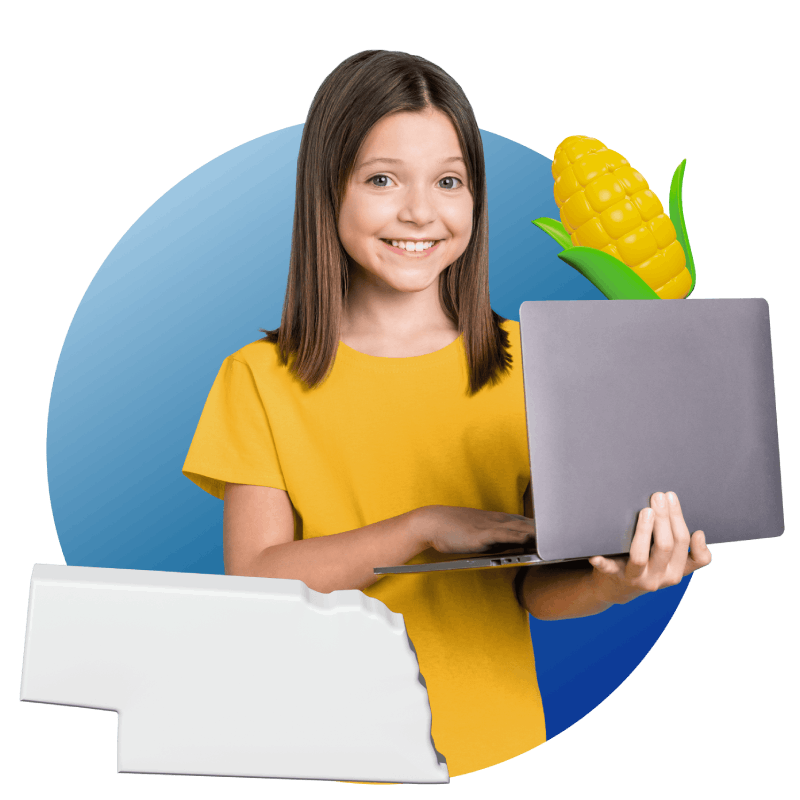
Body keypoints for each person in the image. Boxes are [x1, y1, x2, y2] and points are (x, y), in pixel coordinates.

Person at [181, 49, 712, 784]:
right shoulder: (258, 377)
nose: (420, 212)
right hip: (326, 750)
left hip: (502, 739)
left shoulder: (538, 363)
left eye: (449, 181)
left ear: (475, 200)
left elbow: (535, 586)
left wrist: (617, 581)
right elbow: (259, 582)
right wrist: (421, 528)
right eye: (382, 179)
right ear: (327, 190)